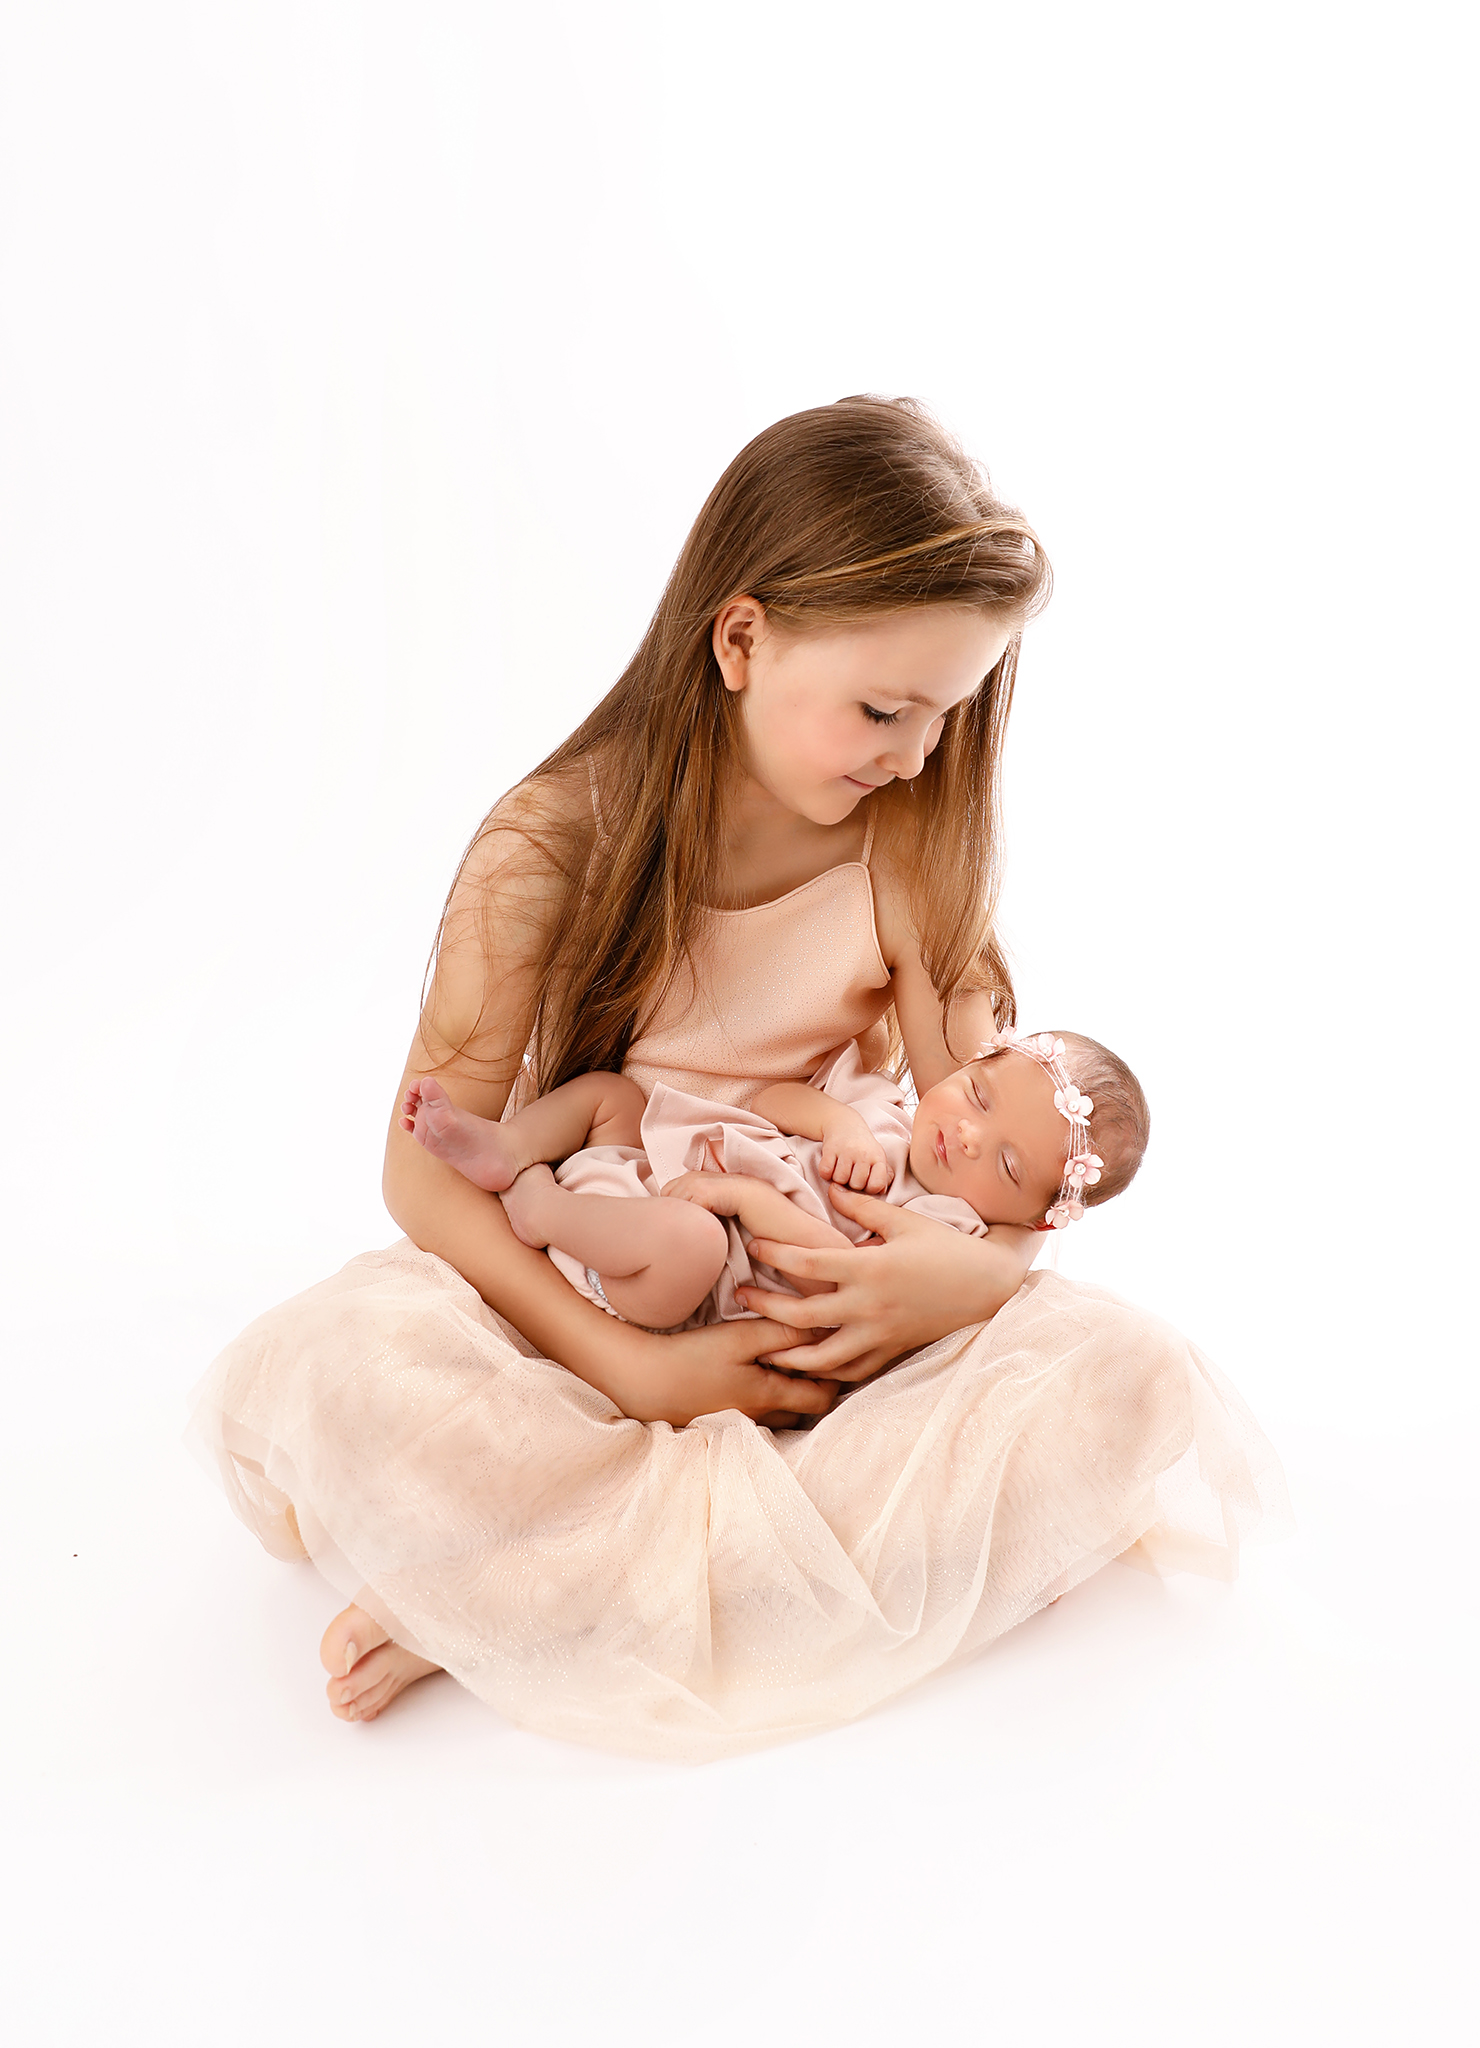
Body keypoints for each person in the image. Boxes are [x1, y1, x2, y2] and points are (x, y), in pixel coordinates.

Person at [189, 396, 1287, 1758]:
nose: (918, 756)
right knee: (356, 1369)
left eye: (945, 715)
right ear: (741, 639)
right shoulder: (552, 843)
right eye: (885, 709)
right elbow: (423, 1174)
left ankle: (514, 1591)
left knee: (1124, 1382)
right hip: (612, 1272)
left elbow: (977, 1132)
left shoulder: (908, 843)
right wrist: (632, 1370)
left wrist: (970, 1285)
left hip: (823, 1329)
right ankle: (587, 1570)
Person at [398, 1027, 1149, 1335]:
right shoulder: (884, 1107)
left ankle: (541, 1211)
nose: (970, 1135)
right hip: (653, 1181)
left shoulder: (951, 1229)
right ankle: (508, 1145)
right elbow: (771, 1102)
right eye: (978, 1095)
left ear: (1035, 1217)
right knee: (616, 1097)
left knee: (690, 1239)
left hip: (683, 1278)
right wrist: (839, 1122)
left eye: (1008, 1165)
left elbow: (832, 1271)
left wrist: (748, 1200)